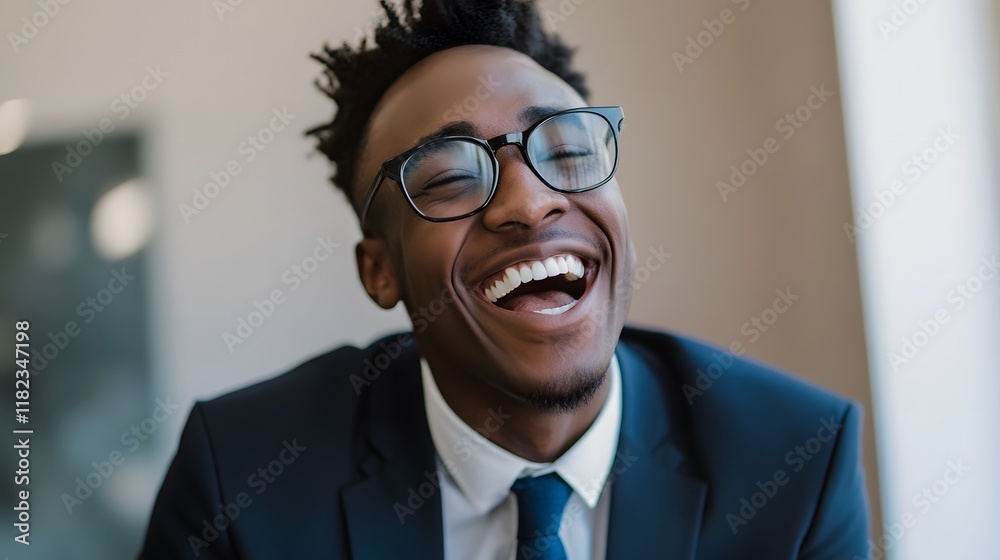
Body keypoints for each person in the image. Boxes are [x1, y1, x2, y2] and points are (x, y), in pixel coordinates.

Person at [139, 1, 870, 558]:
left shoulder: (796, 459)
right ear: (380, 270)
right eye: (452, 176)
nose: (528, 201)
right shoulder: (240, 475)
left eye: (568, 147)